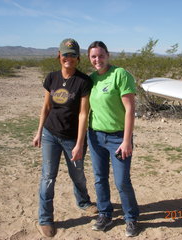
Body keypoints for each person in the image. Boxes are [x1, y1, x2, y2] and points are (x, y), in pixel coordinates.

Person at [32, 38, 96, 237]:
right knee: (48, 177)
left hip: (72, 138)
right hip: (51, 134)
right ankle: (45, 218)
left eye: (73, 54)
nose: (68, 58)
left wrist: (79, 143)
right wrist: (39, 131)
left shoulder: (84, 81)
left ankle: (83, 202)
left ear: (78, 58)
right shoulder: (51, 78)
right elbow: (46, 107)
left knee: (77, 174)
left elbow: (83, 114)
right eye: (65, 54)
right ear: (59, 56)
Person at [87, 41, 140, 237]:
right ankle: (104, 214)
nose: (97, 60)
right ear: (89, 59)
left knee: (122, 181)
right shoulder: (91, 79)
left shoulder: (120, 75)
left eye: (101, 55)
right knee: (100, 178)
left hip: (118, 137)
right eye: (94, 56)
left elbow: (130, 109)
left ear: (107, 55)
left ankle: (131, 218)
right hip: (95, 136)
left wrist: (127, 140)